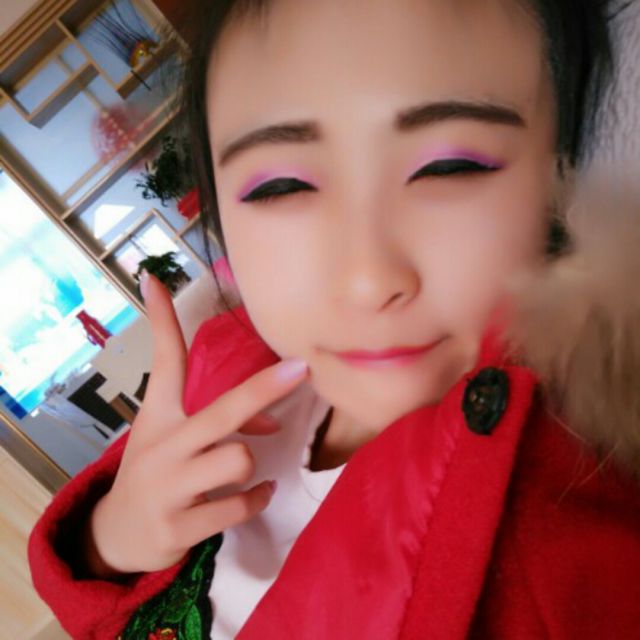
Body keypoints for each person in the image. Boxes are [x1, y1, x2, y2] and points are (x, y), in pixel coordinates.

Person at [28, 1, 640, 638]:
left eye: (450, 167)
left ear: (562, 170)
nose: (367, 280)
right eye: (282, 186)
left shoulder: (563, 531)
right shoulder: (221, 364)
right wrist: (110, 541)